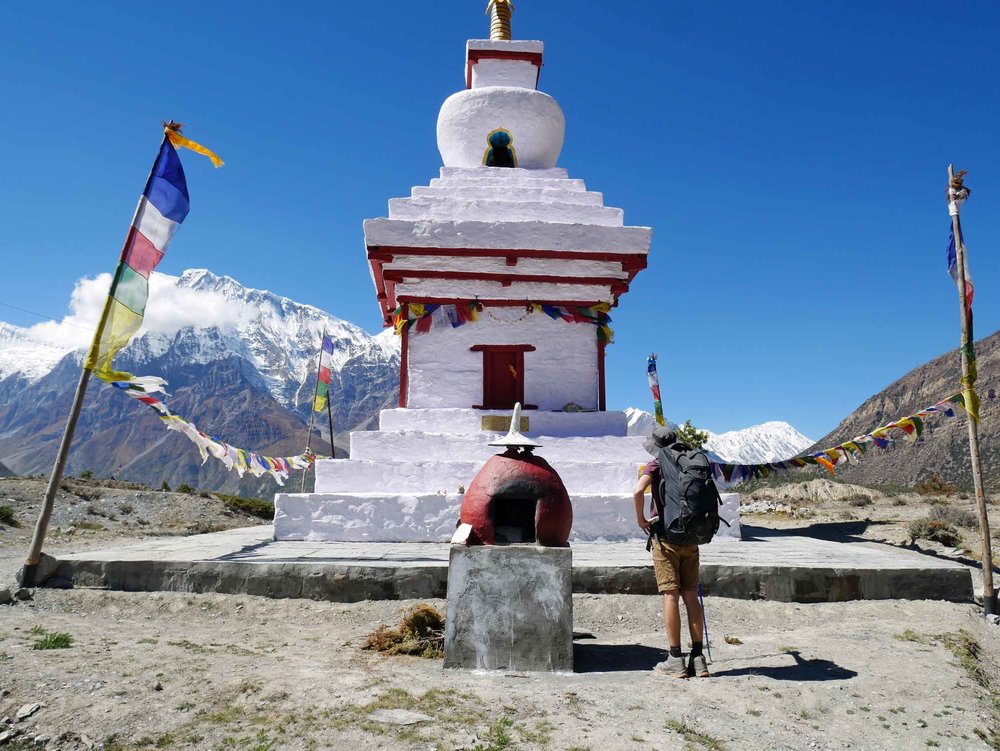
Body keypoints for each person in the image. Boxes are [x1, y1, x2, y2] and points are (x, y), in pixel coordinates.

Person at [632, 426, 710, 679]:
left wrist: (642, 519)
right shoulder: (691, 461)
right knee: (690, 594)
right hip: (691, 537)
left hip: (665, 537)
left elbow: (637, 490)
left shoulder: (656, 464)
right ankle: (698, 659)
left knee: (670, 595)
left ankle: (675, 659)